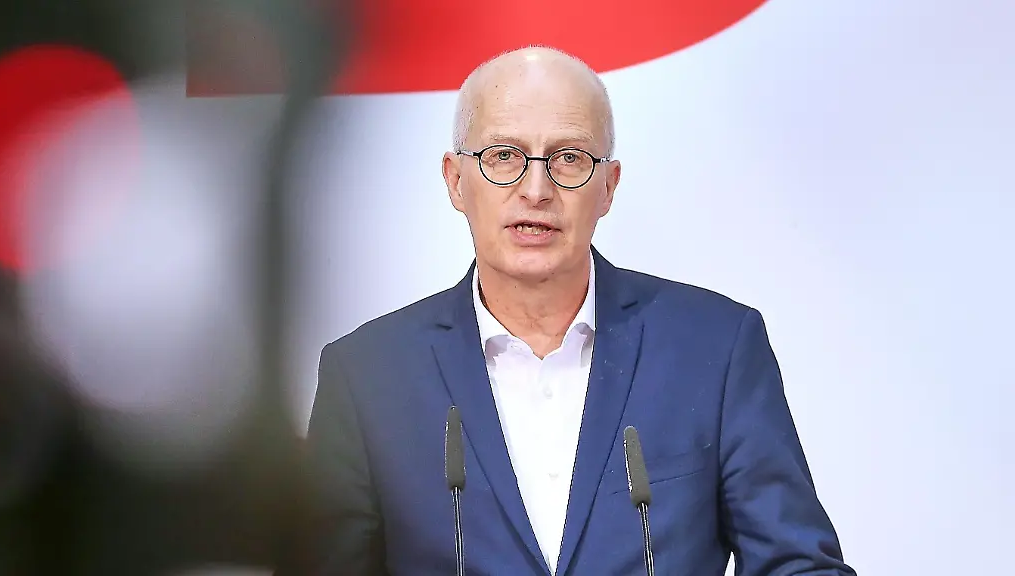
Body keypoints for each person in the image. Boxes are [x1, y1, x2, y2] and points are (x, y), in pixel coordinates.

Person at [290, 46, 855, 575]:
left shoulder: (715, 347)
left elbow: (798, 564)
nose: (536, 189)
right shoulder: (368, 376)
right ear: (455, 181)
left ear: (608, 187)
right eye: (504, 156)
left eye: (568, 159)